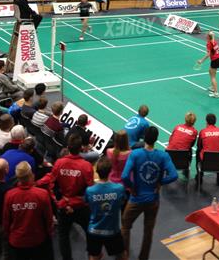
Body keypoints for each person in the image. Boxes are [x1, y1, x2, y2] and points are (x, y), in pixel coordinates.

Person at [121, 126, 178, 260]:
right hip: (153, 200)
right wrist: (160, 182)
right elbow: (174, 175)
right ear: (156, 139)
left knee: (125, 227)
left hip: (136, 199)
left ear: (144, 138)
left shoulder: (135, 154)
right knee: (148, 231)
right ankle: (143, 257)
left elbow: (124, 176)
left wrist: (131, 187)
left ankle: (124, 256)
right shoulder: (163, 156)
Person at [37, 134, 94, 260]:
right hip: (81, 207)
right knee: (90, 232)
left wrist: (61, 202)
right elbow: (90, 190)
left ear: (68, 147)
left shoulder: (59, 163)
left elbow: (52, 186)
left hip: (64, 207)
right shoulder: (86, 166)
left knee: (63, 237)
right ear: (81, 148)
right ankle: (92, 256)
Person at [3, 161, 54, 259]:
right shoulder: (42, 194)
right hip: (37, 239)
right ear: (31, 175)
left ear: (18, 178)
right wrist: (49, 233)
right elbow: (48, 218)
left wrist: (7, 235)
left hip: (16, 241)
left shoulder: (9, 195)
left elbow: (6, 220)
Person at [84, 157, 126, 260]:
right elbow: (122, 202)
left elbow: (87, 204)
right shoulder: (119, 188)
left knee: (94, 257)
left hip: (94, 231)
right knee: (122, 256)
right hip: (112, 231)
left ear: (97, 171)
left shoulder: (89, 190)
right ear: (110, 171)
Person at [196, 113, 219, 186]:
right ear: (215, 121)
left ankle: (199, 177)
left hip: (206, 162)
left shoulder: (203, 131)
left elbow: (199, 146)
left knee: (198, 152)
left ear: (206, 121)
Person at [167, 111, 198, 178]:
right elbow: (191, 145)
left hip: (170, 155)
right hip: (183, 158)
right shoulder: (194, 131)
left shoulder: (177, 127)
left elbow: (170, 140)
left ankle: (168, 171)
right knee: (190, 150)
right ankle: (186, 172)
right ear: (194, 121)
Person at [197, 31, 219, 98]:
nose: (205, 35)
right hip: (218, 59)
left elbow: (208, 54)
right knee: (210, 72)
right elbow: (217, 50)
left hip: (215, 60)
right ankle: (213, 87)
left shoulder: (209, 44)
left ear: (208, 37)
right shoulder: (214, 42)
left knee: (213, 77)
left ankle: (216, 93)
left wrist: (201, 60)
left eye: (206, 35)